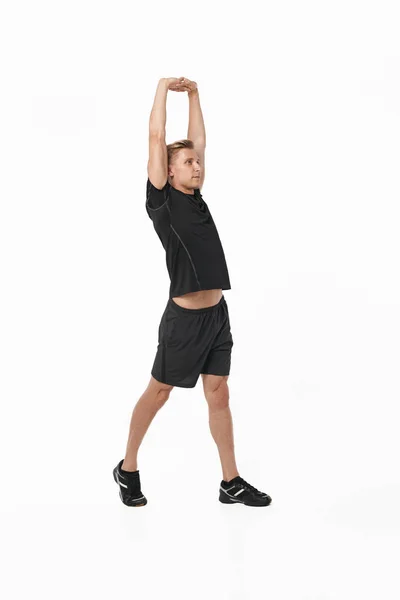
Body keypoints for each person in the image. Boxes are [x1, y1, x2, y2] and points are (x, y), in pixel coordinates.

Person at [113, 77, 272, 508]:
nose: (197, 166)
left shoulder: (197, 197)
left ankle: (230, 481)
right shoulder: (162, 200)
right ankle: (127, 468)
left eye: (197, 162)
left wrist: (196, 95)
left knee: (218, 392)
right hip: (184, 321)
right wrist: (164, 88)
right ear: (167, 170)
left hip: (217, 316)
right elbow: (155, 136)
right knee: (159, 392)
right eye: (187, 162)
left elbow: (199, 139)